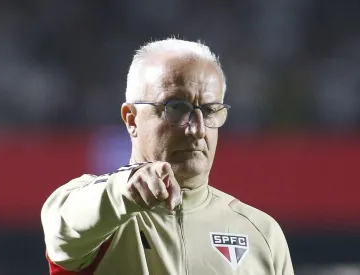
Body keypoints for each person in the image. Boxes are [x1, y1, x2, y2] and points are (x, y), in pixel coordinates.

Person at [41, 38, 294, 275]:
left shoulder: (262, 232)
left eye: (209, 111)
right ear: (131, 118)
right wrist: (126, 188)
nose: (197, 129)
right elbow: (66, 221)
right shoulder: (96, 211)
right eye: (176, 108)